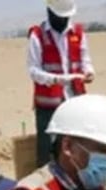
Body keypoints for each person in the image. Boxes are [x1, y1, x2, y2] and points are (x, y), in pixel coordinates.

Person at [28, 0, 95, 167]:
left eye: (67, 17)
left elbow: (85, 59)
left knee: (77, 145)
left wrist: (88, 71)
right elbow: (33, 71)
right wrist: (56, 79)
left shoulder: (78, 33)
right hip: (48, 103)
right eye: (61, 17)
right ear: (50, 12)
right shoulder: (37, 35)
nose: (64, 21)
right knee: (47, 149)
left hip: (75, 100)